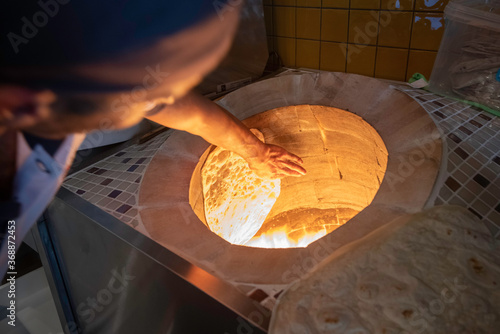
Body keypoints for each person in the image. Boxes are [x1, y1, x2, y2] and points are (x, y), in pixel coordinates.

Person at [0, 1, 306, 278]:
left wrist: (255, 152)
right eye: (158, 89)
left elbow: (193, 115)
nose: (170, 100)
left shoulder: (84, 79)